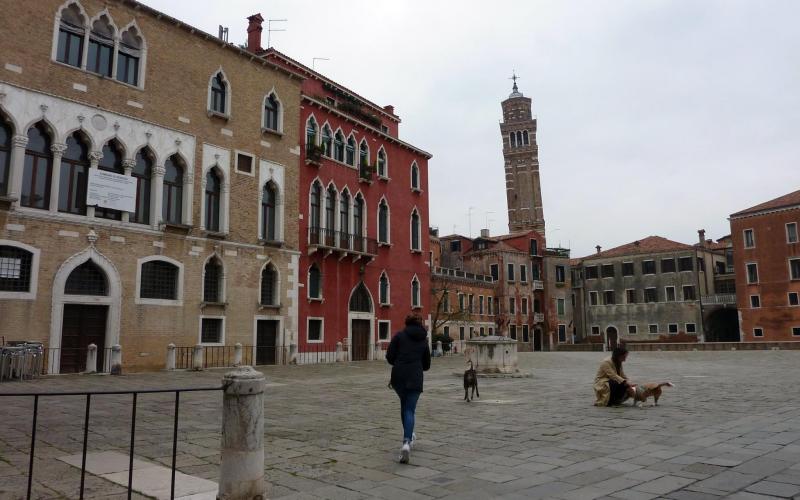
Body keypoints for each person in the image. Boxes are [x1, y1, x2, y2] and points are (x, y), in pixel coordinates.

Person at [386, 313, 431, 464]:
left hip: (398, 376)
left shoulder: (399, 336)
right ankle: (407, 441)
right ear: (419, 324)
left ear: (406, 322)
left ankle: (409, 437)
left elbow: (389, 356)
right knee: (409, 409)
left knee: (404, 407)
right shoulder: (424, 339)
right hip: (415, 376)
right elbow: (427, 365)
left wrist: (399, 361)